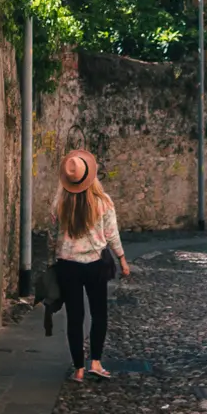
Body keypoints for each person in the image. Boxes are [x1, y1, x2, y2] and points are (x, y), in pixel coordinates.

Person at [50, 149, 130, 380]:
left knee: (74, 318)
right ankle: (95, 362)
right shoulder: (103, 202)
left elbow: (52, 236)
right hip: (95, 264)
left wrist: (51, 261)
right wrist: (122, 259)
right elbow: (111, 234)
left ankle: (78, 369)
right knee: (99, 313)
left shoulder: (59, 203)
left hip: (67, 266)